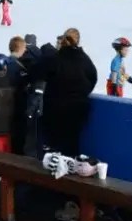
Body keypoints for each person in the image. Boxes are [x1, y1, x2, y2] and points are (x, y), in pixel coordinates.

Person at [40, 28, 97, 156]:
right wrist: (81, 93)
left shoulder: (55, 59)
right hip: (78, 109)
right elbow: (93, 78)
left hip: (56, 109)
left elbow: (40, 74)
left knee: (54, 148)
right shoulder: (84, 59)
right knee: (71, 146)